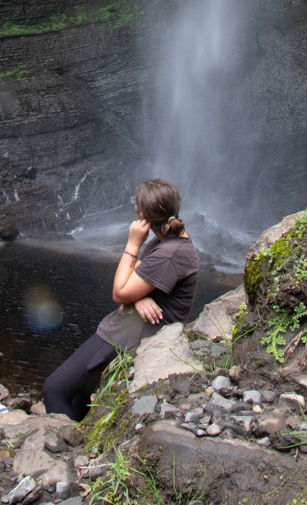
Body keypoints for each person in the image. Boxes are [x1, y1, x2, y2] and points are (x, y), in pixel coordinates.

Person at [42, 178, 199, 421]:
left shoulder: (169, 253)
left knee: (54, 390)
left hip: (129, 337)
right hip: (127, 328)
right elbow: (135, 275)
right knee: (78, 395)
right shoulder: (166, 239)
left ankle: (68, 450)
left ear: (140, 213)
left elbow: (119, 292)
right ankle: (81, 442)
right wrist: (138, 298)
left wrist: (133, 243)